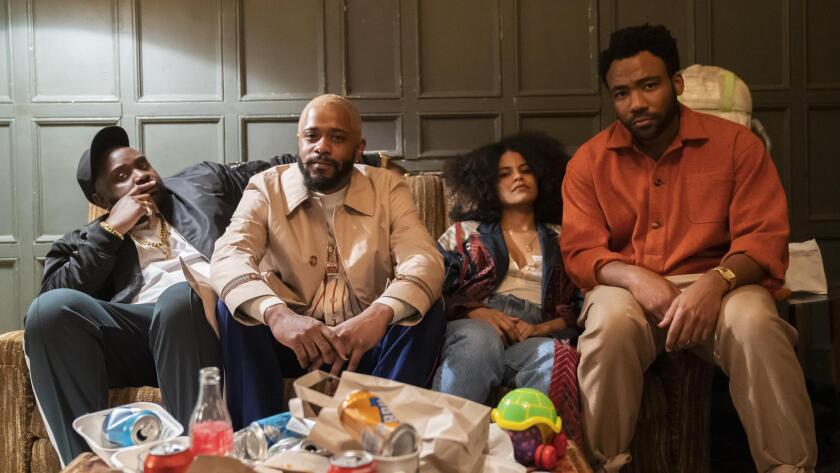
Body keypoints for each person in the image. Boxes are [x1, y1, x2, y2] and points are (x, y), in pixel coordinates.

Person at [561, 24, 817, 473]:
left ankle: (789, 468)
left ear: (675, 84)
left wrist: (715, 283)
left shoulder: (737, 145)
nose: (636, 103)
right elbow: (581, 252)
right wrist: (636, 277)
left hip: (723, 288)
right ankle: (603, 465)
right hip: (629, 293)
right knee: (610, 326)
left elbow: (764, 237)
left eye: (648, 85)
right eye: (621, 93)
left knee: (757, 323)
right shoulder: (588, 161)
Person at [211, 94, 445, 428]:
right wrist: (277, 315)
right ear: (298, 141)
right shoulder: (265, 187)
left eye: (337, 137)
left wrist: (378, 315)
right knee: (236, 308)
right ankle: (259, 440)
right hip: (291, 344)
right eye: (312, 136)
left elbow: (423, 258)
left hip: (365, 346)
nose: (322, 146)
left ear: (358, 147)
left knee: (424, 307)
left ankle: (379, 437)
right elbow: (229, 254)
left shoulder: (389, 188)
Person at [432, 132, 582, 443]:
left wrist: (544, 328)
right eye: (505, 173)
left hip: (536, 331)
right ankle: (445, 448)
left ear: (541, 176)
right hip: (474, 325)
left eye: (525, 170)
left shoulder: (564, 238)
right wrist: (476, 311)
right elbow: (432, 288)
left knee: (553, 356)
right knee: (480, 341)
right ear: (489, 183)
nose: (517, 177)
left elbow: (584, 302)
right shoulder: (464, 233)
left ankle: (529, 456)